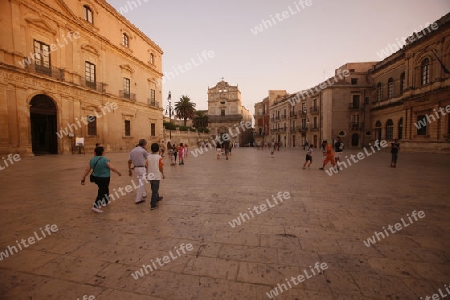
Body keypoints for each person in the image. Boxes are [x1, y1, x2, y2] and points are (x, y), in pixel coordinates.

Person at [81, 146, 121, 213]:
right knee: (102, 191)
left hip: (96, 178)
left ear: (95, 153)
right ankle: (95, 206)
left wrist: (84, 176)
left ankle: (106, 201)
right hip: (104, 178)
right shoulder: (105, 159)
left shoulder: (92, 160)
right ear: (102, 152)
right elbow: (112, 167)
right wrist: (118, 172)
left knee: (104, 188)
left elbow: (87, 169)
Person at [128, 139, 149, 205]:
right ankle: (138, 199)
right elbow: (148, 157)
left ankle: (144, 194)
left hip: (136, 168)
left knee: (139, 182)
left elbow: (129, 161)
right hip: (142, 168)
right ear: (144, 144)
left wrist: (129, 169)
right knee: (141, 184)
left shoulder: (132, 150)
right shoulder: (143, 150)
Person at [146, 143, 165, 210]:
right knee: (155, 189)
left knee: (153, 188)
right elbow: (161, 167)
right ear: (158, 149)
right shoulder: (159, 157)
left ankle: (157, 198)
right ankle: (153, 204)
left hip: (150, 174)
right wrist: (163, 174)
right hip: (156, 175)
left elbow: (146, 166)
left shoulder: (148, 157)